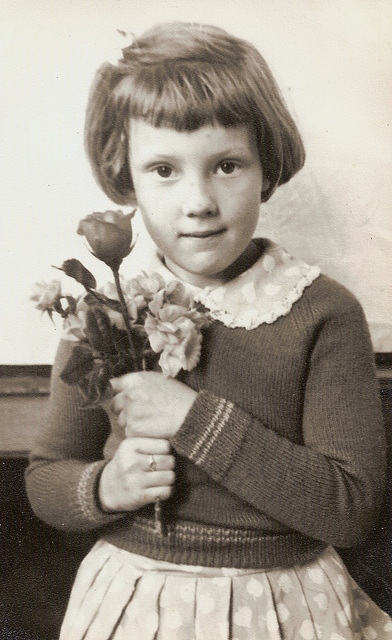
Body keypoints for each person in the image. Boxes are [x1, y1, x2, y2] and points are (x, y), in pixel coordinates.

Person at [26, 21, 391, 639]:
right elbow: (45, 476)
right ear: (126, 177)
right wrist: (105, 487)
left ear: (267, 170)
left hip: (286, 606)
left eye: (226, 165)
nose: (198, 200)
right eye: (164, 170)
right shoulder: (103, 310)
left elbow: (349, 508)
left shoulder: (323, 313)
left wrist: (194, 420)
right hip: (137, 605)